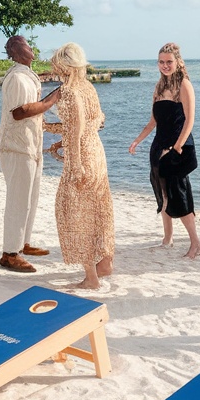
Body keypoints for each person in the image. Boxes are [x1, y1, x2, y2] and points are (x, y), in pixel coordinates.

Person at [129, 42, 200, 257]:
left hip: (178, 149)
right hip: (158, 147)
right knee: (163, 195)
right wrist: (137, 140)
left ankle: (196, 243)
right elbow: (153, 121)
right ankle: (168, 238)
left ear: (178, 62)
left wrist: (176, 147)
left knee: (179, 195)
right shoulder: (159, 86)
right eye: (161, 62)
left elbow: (190, 120)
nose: (165, 65)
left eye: (169, 61)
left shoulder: (184, 85)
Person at [51, 42, 114, 290]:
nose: (54, 69)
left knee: (73, 212)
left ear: (66, 64)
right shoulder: (88, 87)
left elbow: (75, 129)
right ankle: (106, 261)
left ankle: (91, 277)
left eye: (56, 64)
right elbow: (96, 120)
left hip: (82, 155)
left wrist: (75, 164)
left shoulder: (68, 90)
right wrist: (50, 128)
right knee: (99, 208)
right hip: (97, 151)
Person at [0, 35, 59, 273]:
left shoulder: (26, 75)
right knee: (18, 200)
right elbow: (19, 112)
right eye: (24, 44)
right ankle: (9, 253)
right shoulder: (17, 78)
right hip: (17, 146)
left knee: (30, 198)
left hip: (30, 145)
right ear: (15, 51)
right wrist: (52, 99)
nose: (30, 47)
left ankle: (23, 243)